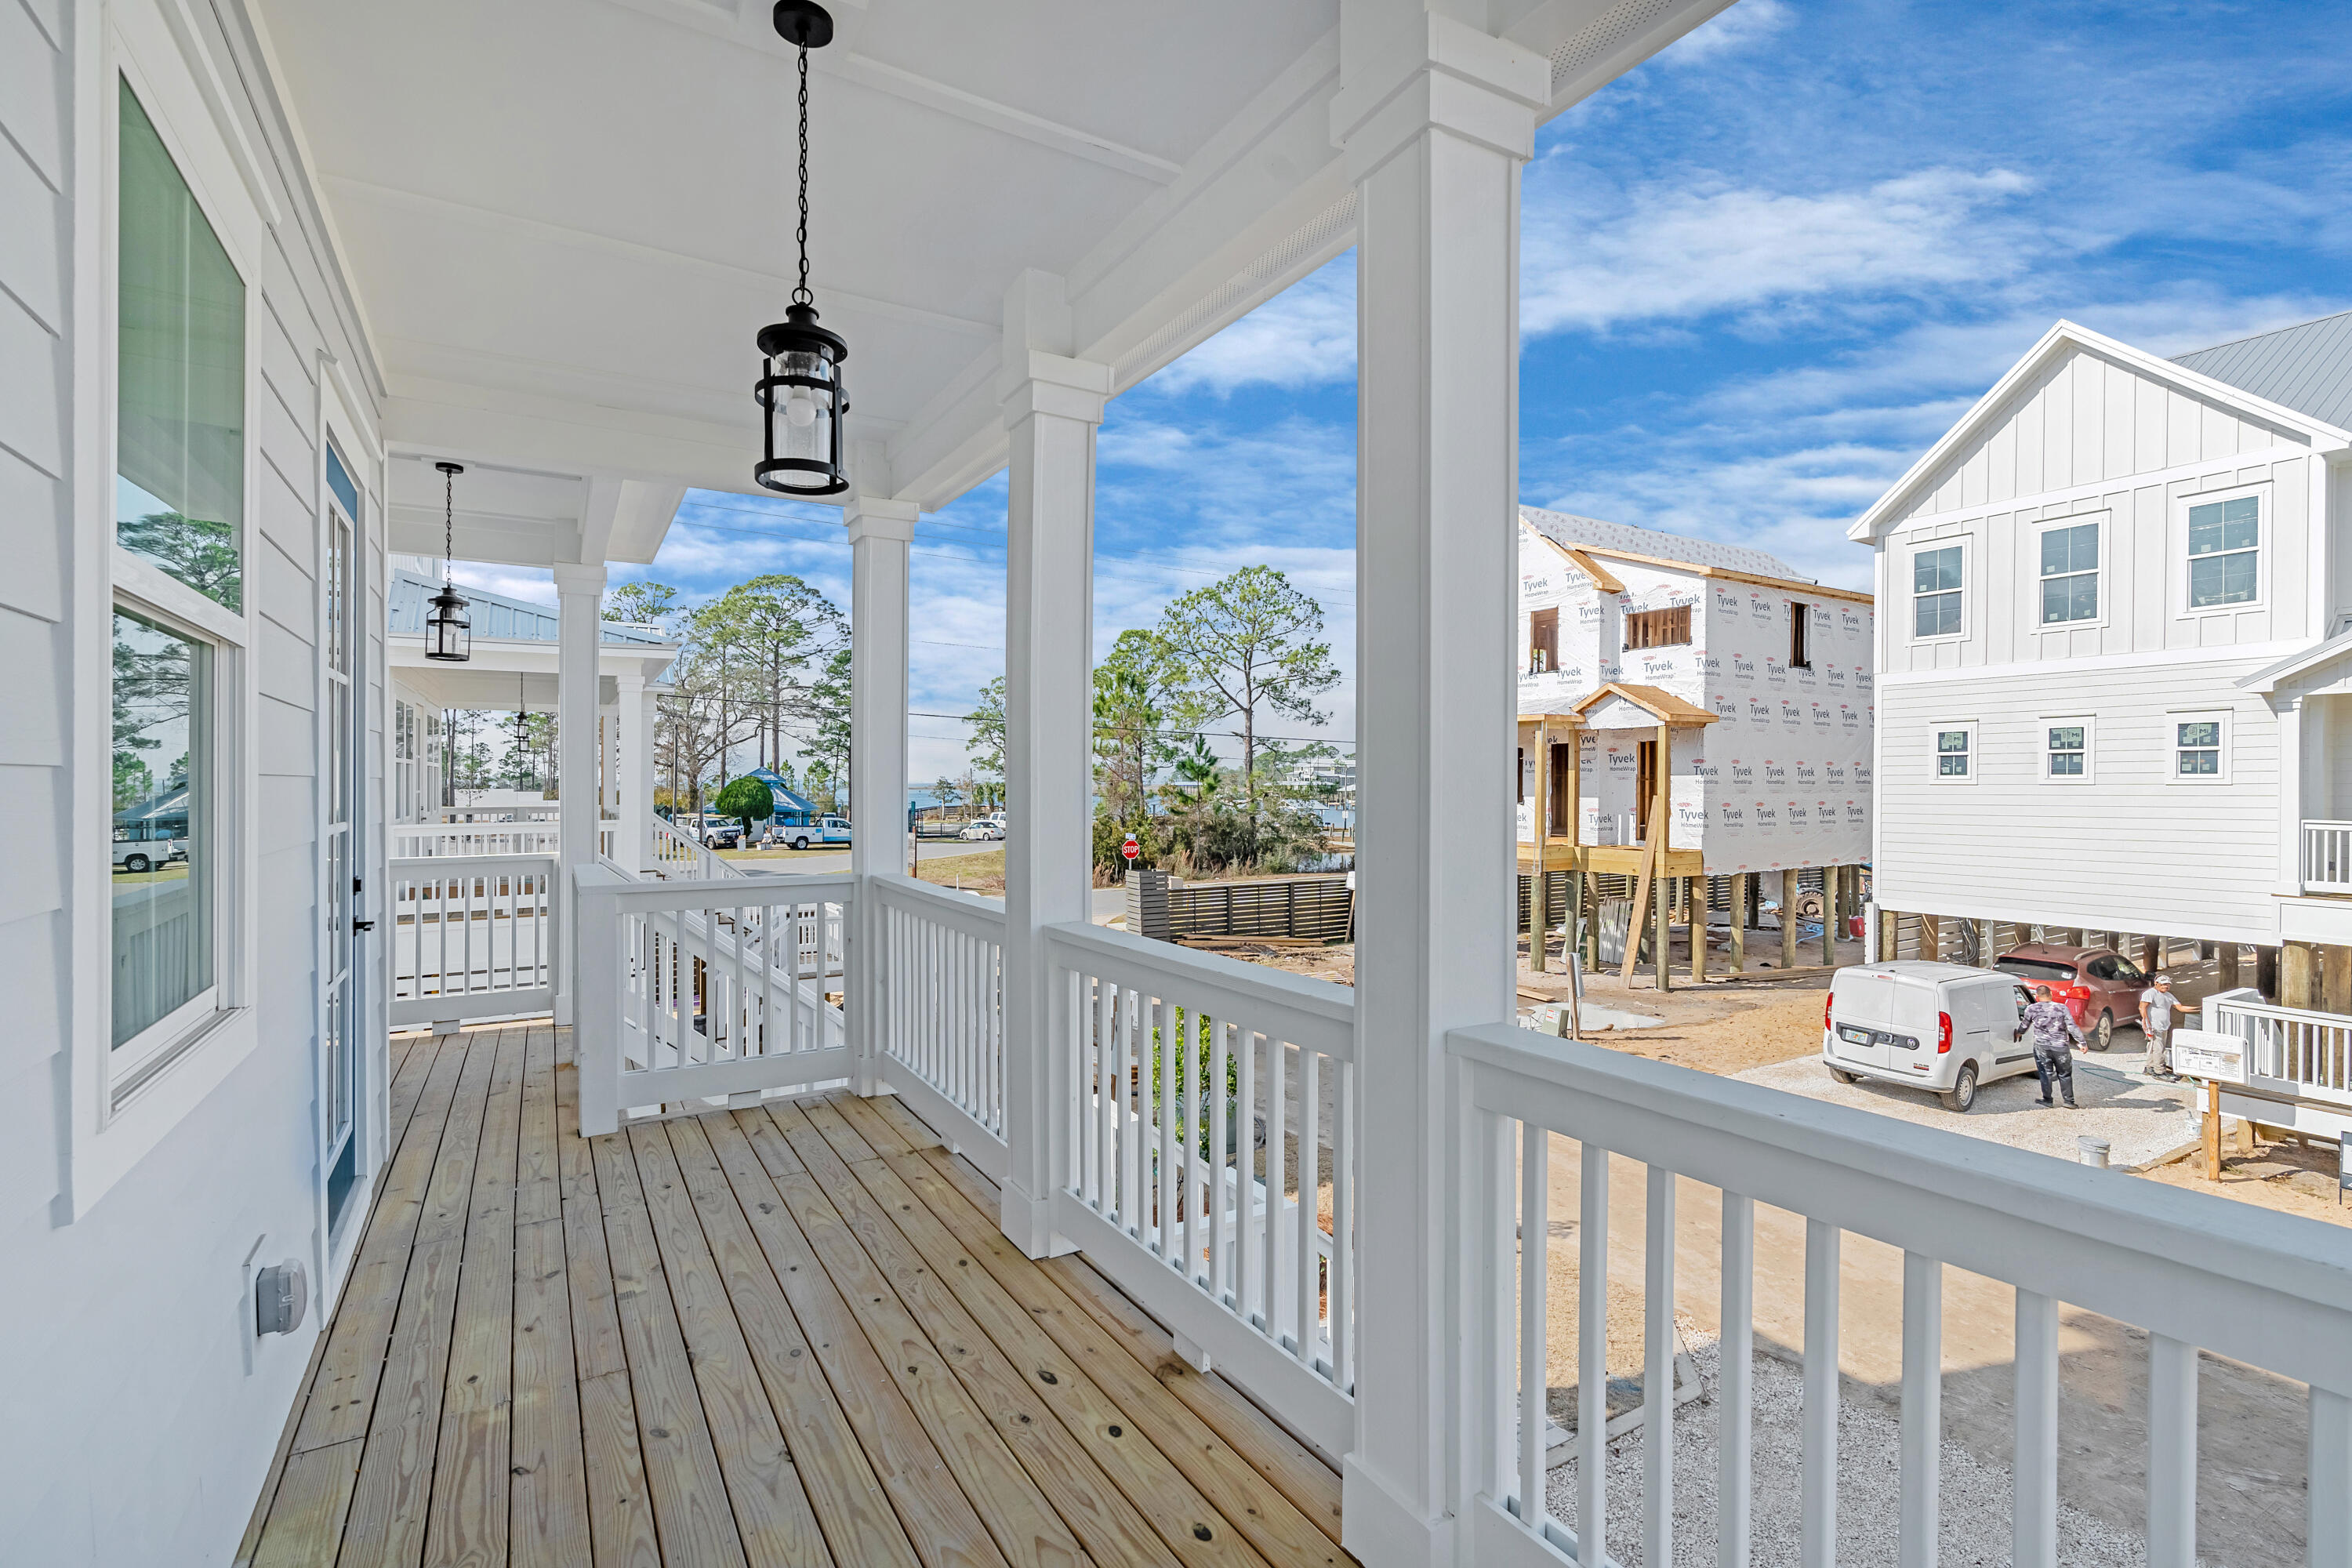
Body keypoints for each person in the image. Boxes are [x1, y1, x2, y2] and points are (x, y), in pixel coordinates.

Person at [2022, 983, 2083, 1109]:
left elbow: (2024, 1025)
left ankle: (2047, 1100)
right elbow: (2072, 1026)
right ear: (2051, 994)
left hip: (2041, 1046)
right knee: (2065, 1074)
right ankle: (2069, 1102)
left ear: (2037, 996)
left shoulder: (2031, 1008)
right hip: (2060, 1047)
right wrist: (2082, 1042)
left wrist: (2018, 1033)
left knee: (2045, 1073)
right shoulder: (2062, 1008)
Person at [2139, 973, 2198, 1082]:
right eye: (2163, 984)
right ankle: (2159, 1072)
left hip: (2164, 1026)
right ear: (2156, 984)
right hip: (2154, 1026)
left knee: (2154, 1047)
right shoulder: (2150, 993)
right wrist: (2146, 1022)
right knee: (2158, 1049)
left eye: (2168, 985)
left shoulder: (2169, 996)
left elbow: (2181, 1008)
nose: (2166, 986)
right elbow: (2142, 1007)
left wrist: (2200, 1008)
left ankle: (2149, 1067)